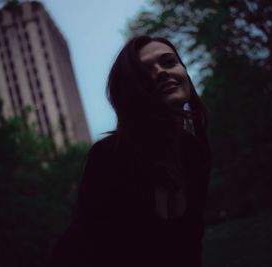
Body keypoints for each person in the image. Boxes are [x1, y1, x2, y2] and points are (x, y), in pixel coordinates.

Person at [49, 36, 211, 267]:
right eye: (146, 71)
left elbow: (191, 245)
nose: (162, 72)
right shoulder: (109, 157)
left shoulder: (195, 153)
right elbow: (97, 250)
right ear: (132, 90)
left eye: (169, 62)